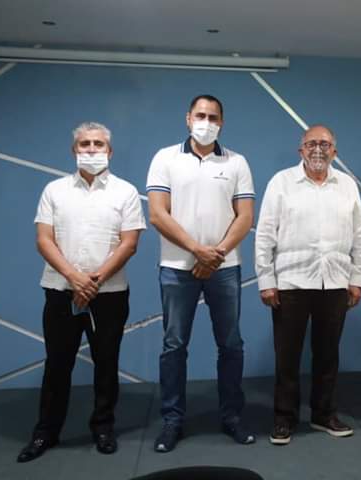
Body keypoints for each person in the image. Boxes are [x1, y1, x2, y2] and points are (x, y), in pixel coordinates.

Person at [17, 122, 146, 462]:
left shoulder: (126, 192)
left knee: (107, 361)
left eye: (98, 144)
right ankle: (45, 432)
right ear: (74, 150)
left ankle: (103, 427)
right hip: (61, 290)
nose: (91, 149)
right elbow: (44, 240)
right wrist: (75, 278)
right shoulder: (54, 190)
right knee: (57, 364)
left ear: (110, 151)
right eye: (85, 144)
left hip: (110, 293)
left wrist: (94, 281)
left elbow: (129, 243)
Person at [146, 94, 256, 452]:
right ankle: (172, 421)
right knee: (174, 346)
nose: (206, 122)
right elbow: (158, 214)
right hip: (177, 268)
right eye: (200, 115)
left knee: (231, 345)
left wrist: (216, 254)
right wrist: (197, 250)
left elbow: (245, 217)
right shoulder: (165, 158)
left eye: (213, 117)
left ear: (221, 122)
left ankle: (232, 417)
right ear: (188, 118)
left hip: (225, 267)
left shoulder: (237, 162)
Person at [255, 125, 361, 445]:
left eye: (325, 144)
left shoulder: (347, 185)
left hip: (335, 282)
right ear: (301, 150)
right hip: (290, 282)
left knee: (328, 355)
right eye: (311, 144)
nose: (318, 149)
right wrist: (266, 280)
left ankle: (323, 414)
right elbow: (264, 234)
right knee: (287, 356)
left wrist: (357, 278)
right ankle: (284, 418)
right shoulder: (281, 183)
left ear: (334, 151)